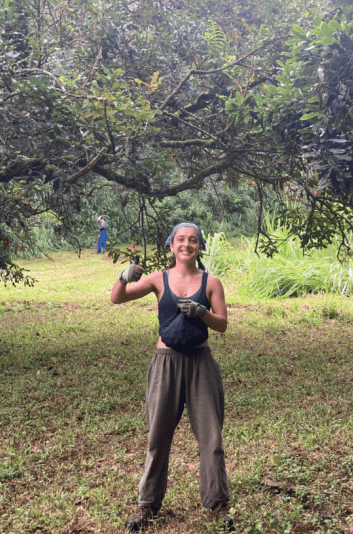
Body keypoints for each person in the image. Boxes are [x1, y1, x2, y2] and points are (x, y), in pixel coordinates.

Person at [111, 222, 234, 531]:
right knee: (158, 439)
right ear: (171, 245)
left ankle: (218, 505)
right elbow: (117, 298)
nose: (186, 245)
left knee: (211, 440)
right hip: (165, 363)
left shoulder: (211, 282)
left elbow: (222, 325)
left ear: (199, 247)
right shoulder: (158, 278)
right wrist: (123, 276)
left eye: (193, 240)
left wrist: (200, 312)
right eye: (181, 239)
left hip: (200, 365)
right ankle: (147, 506)